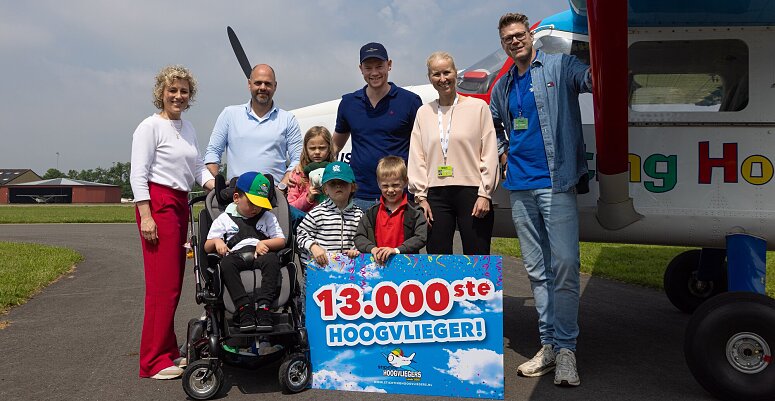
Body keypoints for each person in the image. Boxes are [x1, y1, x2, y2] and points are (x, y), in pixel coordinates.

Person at [489, 12, 592, 387]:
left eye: (519, 35)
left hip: (555, 183)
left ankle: (566, 350)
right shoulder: (502, 87)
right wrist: (503, 154)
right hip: (519, 187)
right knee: (536, 270)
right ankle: (548, 346)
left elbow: (590, 80)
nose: (515, 41)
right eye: (508, 38)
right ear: (503, 44)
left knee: (564, 264)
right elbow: (497, 128)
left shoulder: (560, 66)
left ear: (531, 36)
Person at [130, 65, 215, 380]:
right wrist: (146, 215)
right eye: (172, 90)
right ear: (161, 93)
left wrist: (219, 187)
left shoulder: (188, 128)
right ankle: (151, 361)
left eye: (183, 91)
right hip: (158, 204)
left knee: (173, 286)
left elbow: (197, 169)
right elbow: (138, 174)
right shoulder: (149, 127)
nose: (178, 96)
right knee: (160, 287)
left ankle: (166, 351)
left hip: (180, 203)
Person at [407, 51, 499, 255]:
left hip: (473, 193)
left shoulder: (478, 108)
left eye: (447, 72)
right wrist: (420, 197)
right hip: (435, 195)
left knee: (477, 256)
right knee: (438, 258)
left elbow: (490, 152)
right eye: (436, 74)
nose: (442, 79)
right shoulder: (424, 113)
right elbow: (417, 156)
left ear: (456, 72)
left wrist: (485, 193)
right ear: (429, 78)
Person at [333, 42, 423, 211]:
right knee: (361, 239)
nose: (374, 73)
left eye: (379, 66)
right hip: (359, 195)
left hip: (399, 195)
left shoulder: (410, 101)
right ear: (360, 69)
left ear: (389, 65)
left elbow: (423, 147)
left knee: (401, 239)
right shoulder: (348, 103)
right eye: (368, 68)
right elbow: (335, 146)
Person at [204, 172, 285, 333]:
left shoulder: (267, 217)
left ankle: (264, 306)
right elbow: (207, 246)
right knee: (226, 264)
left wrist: (265, 242)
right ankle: (243, 307)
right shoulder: (224, 218)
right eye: (252, 203)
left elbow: (281, 240)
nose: (256, 208)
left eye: (260, 204)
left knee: (272, 261)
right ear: (236, 198)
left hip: (260, 252)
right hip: (236, 254)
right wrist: (217, 241)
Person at [204, 64, 302, 186]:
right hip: (237, 196)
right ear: (249, 84)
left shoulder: (288, 119)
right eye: (258, 83)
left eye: (268, 84)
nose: (263, 87)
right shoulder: (229, 114)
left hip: (275, 196)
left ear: (275, 86)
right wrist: (217, 187)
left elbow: (298, 159)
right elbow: (213, 153)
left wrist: (282, 188)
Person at [355, 156, 427, 264]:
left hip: (407, 265)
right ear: (378, 184)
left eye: (395, 185)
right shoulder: (371, 213)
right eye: (385, 186)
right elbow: (359, 237)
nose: (390, 190)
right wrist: (372, 249)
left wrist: (397, 250)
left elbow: (421, 237)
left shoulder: (415, 211)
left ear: (405, 182)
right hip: (377, 266)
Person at [296, 161, 363, 266]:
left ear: (353, 187)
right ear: (325, 189)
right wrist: (313, 246)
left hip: (347, 269)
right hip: (320, 269)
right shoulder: (317, 213)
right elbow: (300, 234)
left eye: (343, 182)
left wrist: (355, 249)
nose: (338, 186)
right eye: (332, 183)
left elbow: (361, 238)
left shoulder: (358, 215)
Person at [286, 126, 336, 212]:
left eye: (322, 148)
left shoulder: (335, 171)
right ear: (305, 149)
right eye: (312, 148)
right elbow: (290, 208)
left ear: (329, 148)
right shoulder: (298, 173)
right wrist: (308, 197)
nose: (317, 152)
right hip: (305, 222)